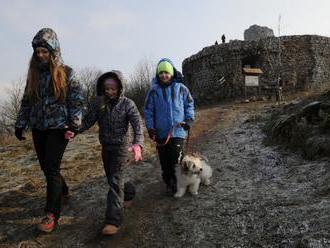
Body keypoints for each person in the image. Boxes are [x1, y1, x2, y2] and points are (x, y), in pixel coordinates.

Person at [15, 28, 83, 233]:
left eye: (45, 51)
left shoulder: (67, 72)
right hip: (38, 126)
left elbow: (77, 100)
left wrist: (74, 124)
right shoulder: (33, 75)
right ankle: (62, 190)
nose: (41, 55)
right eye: (38, 52)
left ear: (53, 52)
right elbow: (26, 101)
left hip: (59, 127)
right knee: (46, 167)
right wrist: (20, 123)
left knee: (51, 167)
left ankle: (51, 214)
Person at [72, 70, 143, 235]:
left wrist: (137, 144)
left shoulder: (128, 104)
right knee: (114, 179)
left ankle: (113, 220)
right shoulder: (98, 103)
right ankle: (129, 192)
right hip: (106, 147)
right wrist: (74, 130)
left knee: (115, 181)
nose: (110, 92)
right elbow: (88, 120)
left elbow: (137, 124)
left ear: (120, 88)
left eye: (113, 88)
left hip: (121, 148)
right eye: (107, 89)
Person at [144, 58, 195, 196]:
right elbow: (148, 111)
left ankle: (181, 183)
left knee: (176, 160)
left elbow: (189, 104)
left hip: (178, 131)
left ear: (172, 73)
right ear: (157, 74)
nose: (164, 75)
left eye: (166, 72)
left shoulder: (181, 89)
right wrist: (151, 128)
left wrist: (189, 120)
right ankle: (169, 183)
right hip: (161, 134)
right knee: (165, 162)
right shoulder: (153, 92)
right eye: (161, 72)